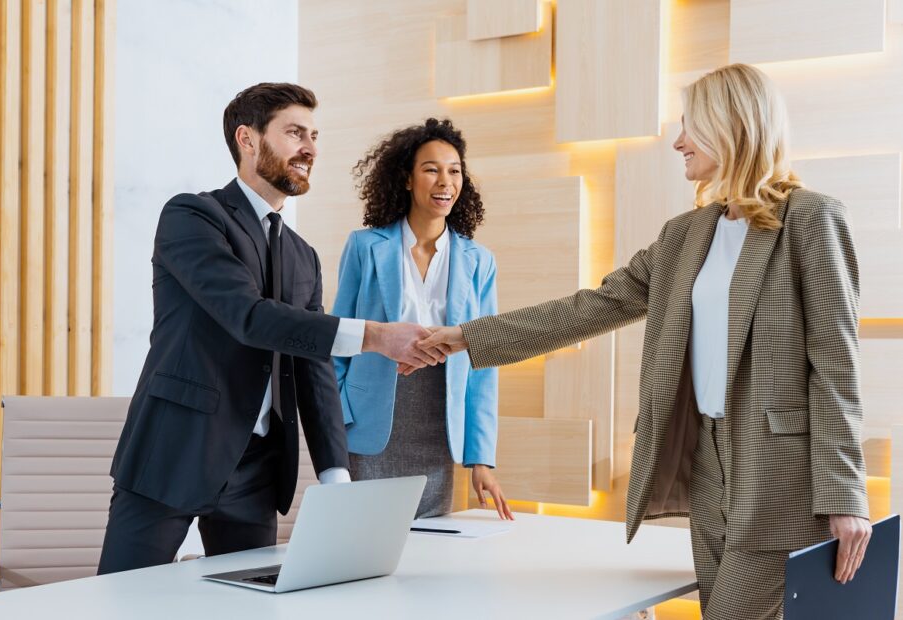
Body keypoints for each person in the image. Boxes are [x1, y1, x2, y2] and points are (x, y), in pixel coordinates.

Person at [419, 64, 871, 619]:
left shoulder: (811, 219)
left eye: (691, 126)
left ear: (733, 126)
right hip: (705, 466)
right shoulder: (685, 234)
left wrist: (845, 497)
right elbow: (593, 307)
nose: (679, 141)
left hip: (780, 476)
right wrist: (466, 336)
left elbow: (836, 368)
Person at [98, 83, 446, 574]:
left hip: (257, 471)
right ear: (248, 138)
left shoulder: (302, 255)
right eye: (295, 133)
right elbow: (248, 317)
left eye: (315, 136)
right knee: (119, 602)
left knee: (249, 610)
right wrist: (375, 336)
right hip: (173, 454)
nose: (311, 148)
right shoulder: (193, 216)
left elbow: (313, 366)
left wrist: (336, 477)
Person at [331, 119, 513, 520]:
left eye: (454, 170)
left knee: (429, 551)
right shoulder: (364, 246)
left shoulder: (478, 261)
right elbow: (339, 337)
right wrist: (341, 414)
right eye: (431, 169)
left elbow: (484, 364)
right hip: (369, 422)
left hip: (438, 422)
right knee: (363, 542)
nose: (444, 181)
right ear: (408, 179)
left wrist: (481, 458)